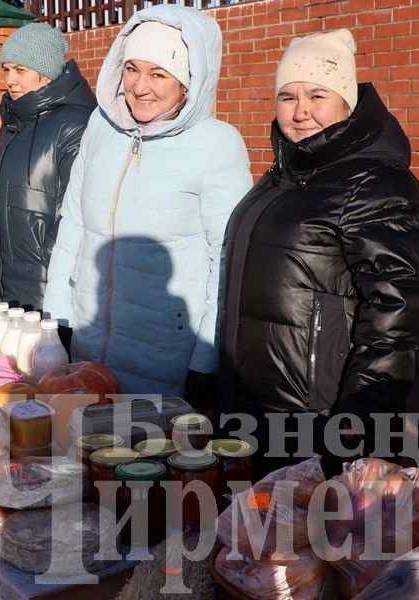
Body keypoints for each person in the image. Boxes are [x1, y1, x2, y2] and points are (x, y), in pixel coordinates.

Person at [217, 29, 419, 478]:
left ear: (348, 104)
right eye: (287, 97)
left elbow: (395, 311)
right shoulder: (285, 176)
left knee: (310, 537)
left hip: (317, 417)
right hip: (255, 403)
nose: (300, 112)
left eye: (317, 95)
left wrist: (364, 427)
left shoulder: (375, 184)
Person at [43, 5, 253, 398]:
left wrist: (206, 360)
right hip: (89, 350)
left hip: (168, 362)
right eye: (132, 69)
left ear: (188, 81)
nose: (140, 87)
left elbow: (225, 262)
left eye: (158, 74)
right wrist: (58, 320)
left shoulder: (217, 144)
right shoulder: (100, 128)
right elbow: (73, 225)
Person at [0, 22, 96, 310]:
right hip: (1, 286)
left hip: (47, 291)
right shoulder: (12, 123)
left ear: (47, 73)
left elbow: (81, 211)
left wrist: (51, 268)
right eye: (6, 70)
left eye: (21, 70)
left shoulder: (75, 124)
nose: (10, 80)